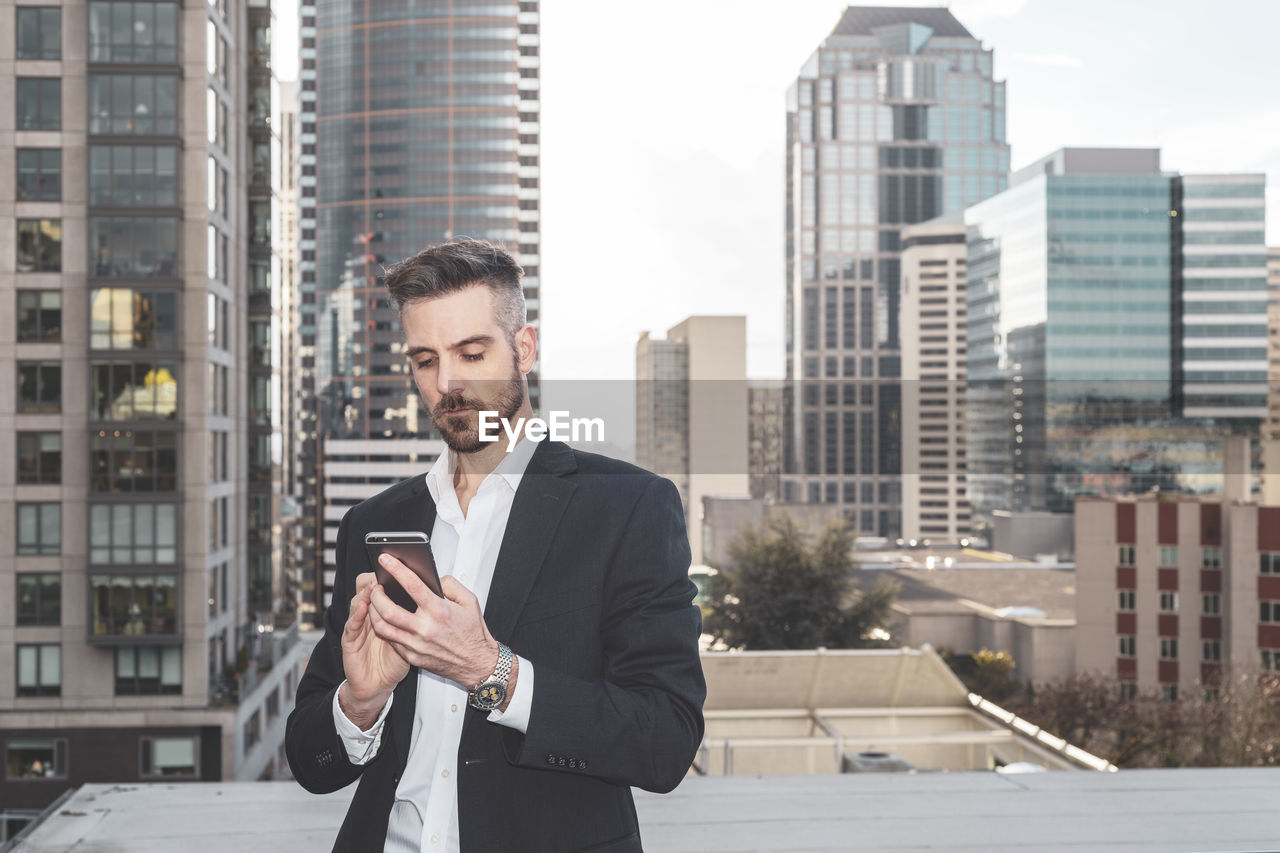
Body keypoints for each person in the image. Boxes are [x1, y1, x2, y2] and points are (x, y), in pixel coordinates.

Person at [286, 239, 706, 852]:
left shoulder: (627, 507)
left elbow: (664, 741)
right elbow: (310, 762)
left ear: (524, 349)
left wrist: (493, 673)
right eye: (425, 360)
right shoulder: (373, 523)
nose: (448, 383)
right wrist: (361, 700)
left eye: (471, 352)